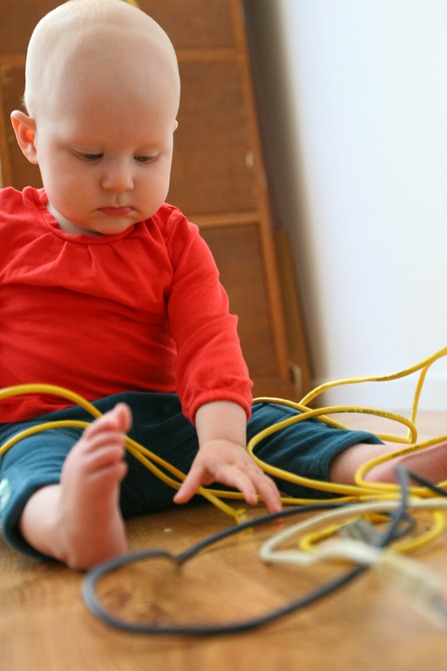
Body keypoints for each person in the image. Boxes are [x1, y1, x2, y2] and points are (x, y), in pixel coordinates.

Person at [0, 0, 445, 571]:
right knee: (22, 466)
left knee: (271, 423)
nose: (120, 179)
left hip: (174, 429)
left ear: (172, 137)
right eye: (90, 155)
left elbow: (209, 342)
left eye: (147, 155)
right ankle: (66, 520)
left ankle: (372, 466)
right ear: (30, 138)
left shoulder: (174, 240)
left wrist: (222, 438)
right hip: (48, 429)